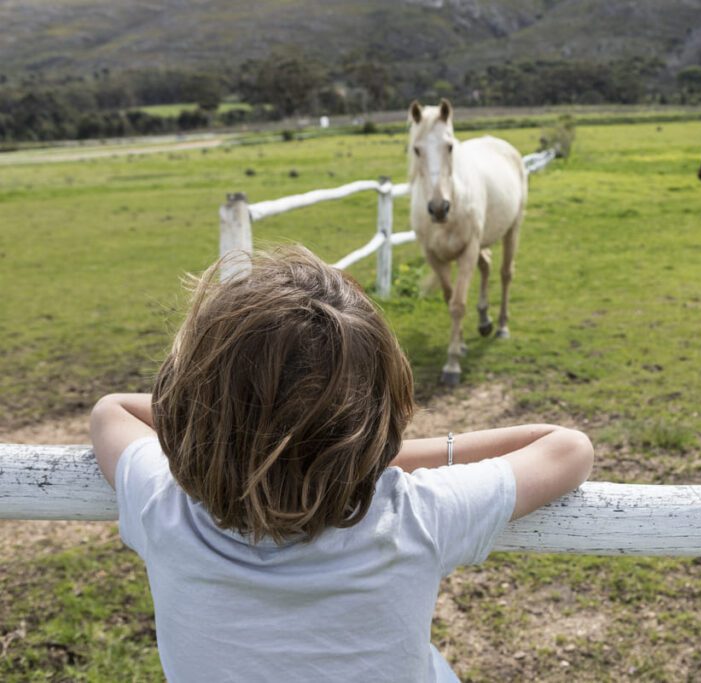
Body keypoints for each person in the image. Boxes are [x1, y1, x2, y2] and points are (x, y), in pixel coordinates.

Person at [89, 245, 594, 682]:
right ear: (373, 423)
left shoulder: (163, 507)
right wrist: (360, 455)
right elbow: (567, 448)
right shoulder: (415, 518)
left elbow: (113, 410)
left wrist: (222, 426)